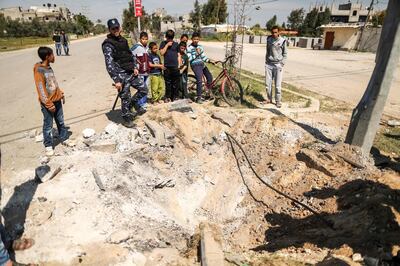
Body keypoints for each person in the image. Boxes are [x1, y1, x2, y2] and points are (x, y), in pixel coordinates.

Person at [102, 18, 147, 128]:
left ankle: (133, 104)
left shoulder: (123, 40)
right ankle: (126, 118)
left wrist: (135, 67)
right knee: (125, 96)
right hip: (120, 74)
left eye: (117, 27)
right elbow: (109, 64)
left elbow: (130, 55)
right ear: (109, 30)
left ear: (120, 27)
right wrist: (116, 80)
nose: (115, 30)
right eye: (113, 29)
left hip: (131, 71)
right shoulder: (108, 44)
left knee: (144, 89)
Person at [34, 47, 72, 156]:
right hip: (48, 103)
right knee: (48, 125)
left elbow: (53, 83)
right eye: (52, 55)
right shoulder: (39, 70)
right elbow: (41, 89)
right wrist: (48, 104)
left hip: (57, 100)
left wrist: (60, 94)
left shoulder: (48, 67)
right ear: (47, 56)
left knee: (60, 121)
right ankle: (48, 145)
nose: (54, 56)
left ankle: (64, 138)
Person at [187, 32, 215, 104]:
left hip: (202, 64)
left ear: (199, 39)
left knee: (209, 77)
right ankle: (198, 97)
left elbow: (203, 57)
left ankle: (207, 93)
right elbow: (189, 58)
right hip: (195, 65)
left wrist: (209, 61)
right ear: (192, 39)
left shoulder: (200, 47)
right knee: (199, 80)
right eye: (194, 39)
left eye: (197, 39)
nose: (196, 40)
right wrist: (196, 54)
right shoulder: (189, 48)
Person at [265, 25, 287, 108]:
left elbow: (285, 53)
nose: (274, 34)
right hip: (269, 64)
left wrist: (282, 63)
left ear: (279, 32)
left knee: (277, 85)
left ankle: (278, 101)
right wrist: (266, 61)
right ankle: (269, 99)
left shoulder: (282, 41)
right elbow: (267, 50)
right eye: (273, 32)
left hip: (278, 65)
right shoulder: (269, 39)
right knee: (267, 84)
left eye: (275, 32)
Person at [159, 30, 180, 102]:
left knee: (175, 83)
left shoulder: (176, 44)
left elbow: (179, 55)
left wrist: (179, 65)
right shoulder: (163, 43)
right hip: (167, 67)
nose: (170, 40)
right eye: (168, 38)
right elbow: (161, 53)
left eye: (171, 38)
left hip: (175, 66)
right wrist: (167, 45)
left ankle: (175, 97)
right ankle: (168, 96)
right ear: (166, 37)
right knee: (168, 82)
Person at [131, 31, 150, 106]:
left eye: (146, 39)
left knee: (146, 87)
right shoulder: (136, 47)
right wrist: (134, 66)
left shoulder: (147, 48)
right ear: (140, 39)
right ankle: (139, 103)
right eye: (143, 39)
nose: (144, 40)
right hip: (140, 72)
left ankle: (144, 103)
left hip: (147, 71)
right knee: (141, 88)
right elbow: (129, 55)